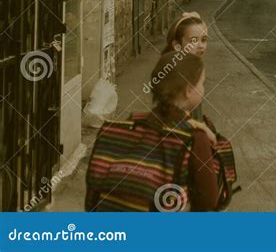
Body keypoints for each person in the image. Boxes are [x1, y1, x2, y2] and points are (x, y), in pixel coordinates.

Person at [85, 53, 220, 212]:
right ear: (189, 90)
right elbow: (208, 202)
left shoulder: (132, 123)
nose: (203, 88)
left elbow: (92, 199)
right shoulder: (194, 138)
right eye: (202, 83)